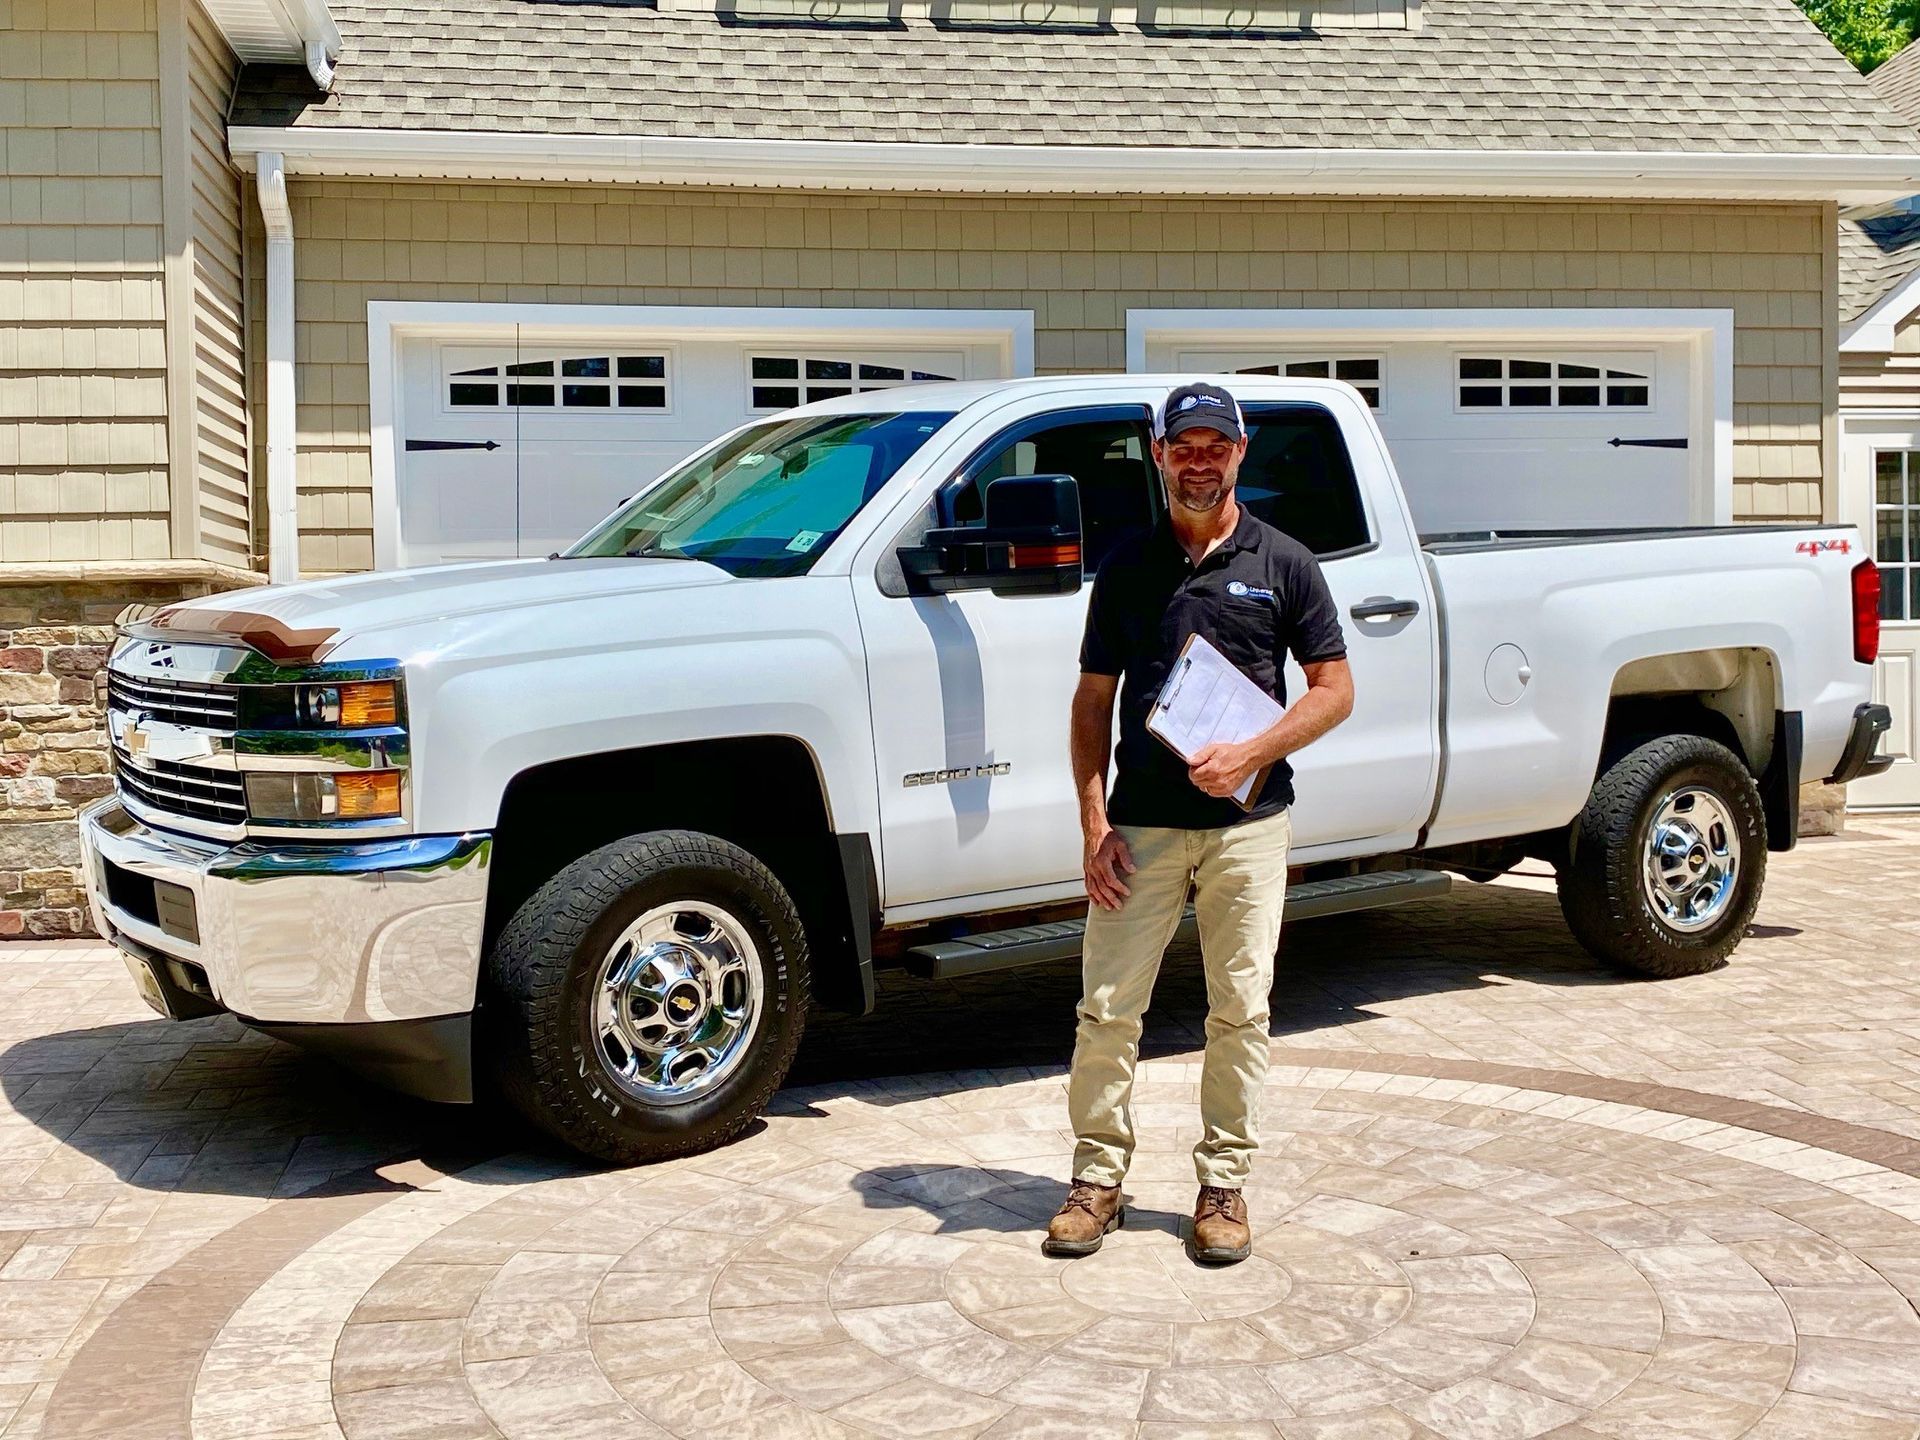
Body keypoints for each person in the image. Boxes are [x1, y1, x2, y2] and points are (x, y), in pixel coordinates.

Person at [1045, 380, 1355, 1265]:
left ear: (1241, 452)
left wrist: (1255, 750)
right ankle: (1097, 1179)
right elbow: (1091, 701)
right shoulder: (1129, 566)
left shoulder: (1285, 563)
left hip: (1247, 831)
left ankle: (1224, 1186)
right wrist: (1094, 822)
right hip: (1139, 829)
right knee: (1106, 1011)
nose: (1200, 459)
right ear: (1159, 454)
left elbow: (1335, 691)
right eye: (1185, 444)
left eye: (1217, 444)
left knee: (1240, 1012)